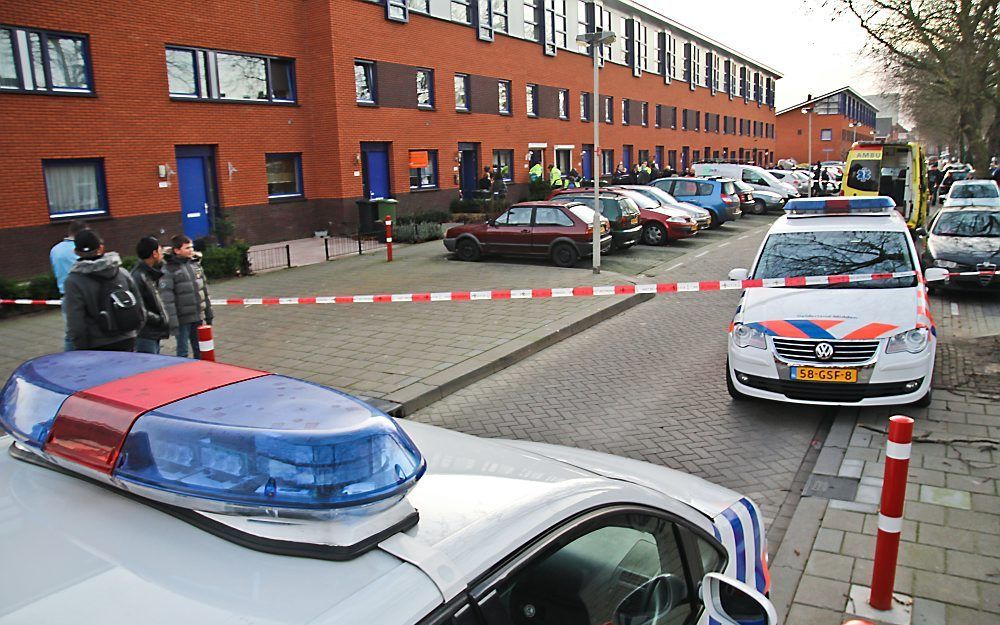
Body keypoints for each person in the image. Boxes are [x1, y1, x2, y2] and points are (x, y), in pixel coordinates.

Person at [62, 229, 145, 352]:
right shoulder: (122, 273)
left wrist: (81, 348)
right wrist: (133, 331)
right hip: (127, 339)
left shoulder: (73, 281)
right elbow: (140, 308)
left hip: (97, 345)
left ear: (76, 252)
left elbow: (76, 324)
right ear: (101, 248)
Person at [160, 234, 214, 359]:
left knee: (200, 349)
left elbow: (204, 290)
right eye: (187, 248)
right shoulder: (169, 269)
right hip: (182, 319)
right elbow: (168, 299)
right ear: (177, 250)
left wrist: (208, 313)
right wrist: (173, 323)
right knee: (183, 350)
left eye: (192, 247)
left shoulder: (195, 265)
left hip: (197, 316)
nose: (191, 250)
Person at [50, 220, 87, 351]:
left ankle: (69, 357)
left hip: (64, 294)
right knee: (82, 331)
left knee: (70, 330)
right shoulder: (77, 250)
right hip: (81, 294)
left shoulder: (55, 249)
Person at [131, 236, 170, 354]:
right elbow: (138, 309)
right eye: (160, 250)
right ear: (154, 253)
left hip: (152, 332)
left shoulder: (149, 273)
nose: (162, 252)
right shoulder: (139, 276)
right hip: (146, 333)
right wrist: (160, 319)